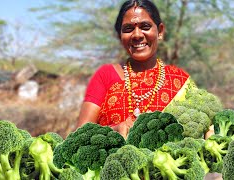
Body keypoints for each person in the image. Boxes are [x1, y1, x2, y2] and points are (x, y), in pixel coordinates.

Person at [77, 0, 191, 138]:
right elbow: (79, 135)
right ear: (120, 37)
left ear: (160, 31)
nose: (137, 35)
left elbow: (198, 128)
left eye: (145, 26)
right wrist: (115, 130)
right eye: (128, 29)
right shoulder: (105, 75)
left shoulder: (180, 80)